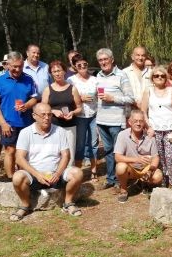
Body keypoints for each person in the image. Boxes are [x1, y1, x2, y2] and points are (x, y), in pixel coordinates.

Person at [10, 103, 84, 221]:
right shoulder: (25, 133)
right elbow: (19, 158)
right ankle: (25, 205)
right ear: (34, 116)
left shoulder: (59, 131)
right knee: (17, 177)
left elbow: (66, 155)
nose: (47, 118)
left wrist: (58, 173)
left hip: (55, 173)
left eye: (49, 114)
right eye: (43, 115)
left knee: (77, 173)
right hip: (34, 175)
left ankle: (68, 203)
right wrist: (37, 175)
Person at [0, 51, 39, 179]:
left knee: (23, 152)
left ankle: (24, 176)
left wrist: (27, 106)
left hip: (27, 123)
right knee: (10, 151)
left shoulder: (29, 79)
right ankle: (11, 178)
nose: (18, 69)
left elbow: (34, 98)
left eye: (20, 66)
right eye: (14, 67)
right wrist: (3, 123)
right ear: (8, 65)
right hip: (8, 122)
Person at [95, 48, 134, 189]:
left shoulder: (121, 75)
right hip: (101, 120)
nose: (103, 62)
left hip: (116, 120)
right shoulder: (98, 76)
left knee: (118, 151)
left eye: (106, 59)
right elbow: (95, 98)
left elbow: (130, 98)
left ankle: (120, 179)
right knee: (107, 150)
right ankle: (111, 178)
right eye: (100, 60)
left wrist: (113, 98)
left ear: (112, 59)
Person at [141, 65, 172, 190]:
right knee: (159, 157)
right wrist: (148, 127)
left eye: (162, 76)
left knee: (171, 156)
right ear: (152, 78)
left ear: (166, 77)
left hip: (169, 129)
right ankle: (162, 181)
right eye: (156, 75)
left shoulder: (171, 91)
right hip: (154, 130)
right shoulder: (148, 91)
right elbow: (143, 111)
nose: (159, 77)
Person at [114, 110, 163, 203]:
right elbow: (117, 157)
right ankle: (124, 190)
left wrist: (151, 169)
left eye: (141, 121)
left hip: (146, 169)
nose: (138, 124)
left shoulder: (150, 137)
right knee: (120, 167)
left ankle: (143, 183)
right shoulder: (122, 135)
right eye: (135, 121)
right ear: (130, 122)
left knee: (158, 176)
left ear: (144, 123)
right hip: (131, 168)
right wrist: (137, 159)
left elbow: (156, 157)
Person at [42, 61, 82, 166]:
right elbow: (42, 109)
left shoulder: (72, 88)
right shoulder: (48, 89)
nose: (57, 73)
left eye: (59, 70)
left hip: (70, 126)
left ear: (64, 71)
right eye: (54, 71)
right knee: (54, 154)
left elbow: (79, 108)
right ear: (51, 73)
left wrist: (73, 113)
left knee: (70, 155)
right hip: (53, 127)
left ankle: (70, 178)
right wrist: (53, 111)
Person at [68, 54, 98, 178]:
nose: (82, 67)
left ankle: (94, 171)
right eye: (79, 65)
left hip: (94, 114)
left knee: (94, 143)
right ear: (75, 67)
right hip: (79, 116)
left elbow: (99, 95)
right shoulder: (71, 80)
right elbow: (68, 97)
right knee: (80, 144)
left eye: (84, 64)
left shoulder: (95, 79)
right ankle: (78, 172)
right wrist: (80, 98)